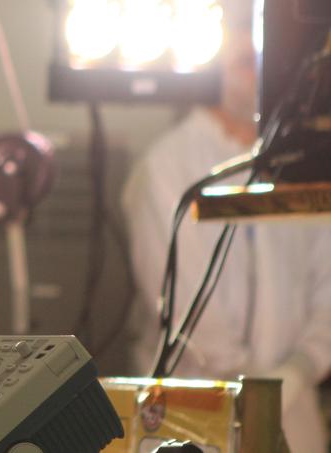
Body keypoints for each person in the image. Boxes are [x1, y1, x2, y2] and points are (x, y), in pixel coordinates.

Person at [122, 29, 331, 453]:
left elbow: (326, 279)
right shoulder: (167, 166)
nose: (261, 75)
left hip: (296, 414)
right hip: (192, 415)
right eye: (245, 63)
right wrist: (256, 387)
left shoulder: (306, 165)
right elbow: (188, 307)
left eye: (269, 61)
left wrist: (301, 368)